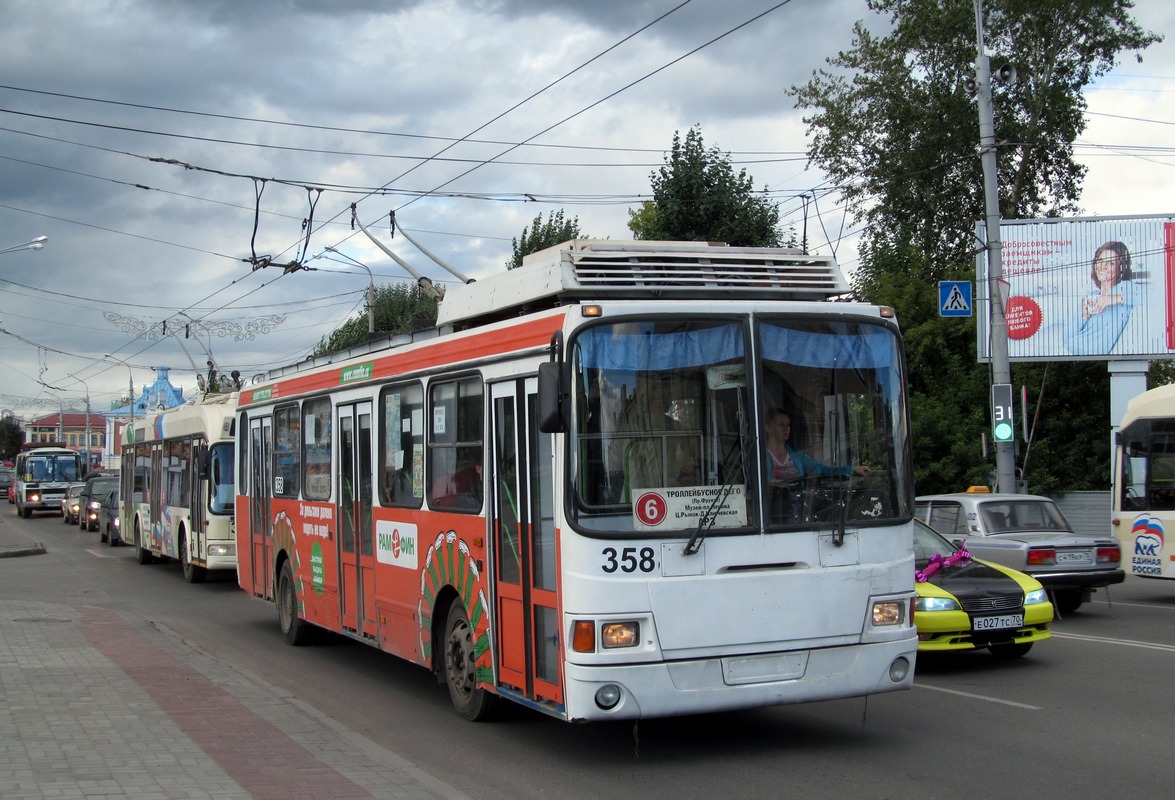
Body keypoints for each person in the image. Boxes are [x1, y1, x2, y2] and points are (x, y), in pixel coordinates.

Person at [1065, 241, 1136, 356]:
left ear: (1121, 269)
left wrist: (1113, 299)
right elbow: (1067, 338)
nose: (1103, 266)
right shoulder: (1090, 296)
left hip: (1089, 353)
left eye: (1111, 263)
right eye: (1100, 261)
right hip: (1071, 351)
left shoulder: (1126, 290)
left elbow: (1151, 295)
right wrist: (1083, 317)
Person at [764, 409, 870, 484]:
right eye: (781, 424)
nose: (786, 428)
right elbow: (756, 485)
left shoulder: (797, 455)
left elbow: (822, 470)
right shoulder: (759, 457)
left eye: (788, 424)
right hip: (771, 512)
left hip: (798, 509)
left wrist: (852, 470)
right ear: (767, 428)